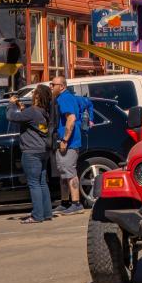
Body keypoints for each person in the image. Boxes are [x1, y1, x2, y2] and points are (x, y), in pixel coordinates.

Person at [7, 84, 53, 223]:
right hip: (43, 150)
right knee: (42, 183)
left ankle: (37, 215)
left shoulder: (33, 111)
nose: (32, 95)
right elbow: (32, 122)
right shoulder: (43, 112)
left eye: (34, 93)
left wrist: (10, 104)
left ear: (38, 96)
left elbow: (11, 116)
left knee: (34, 183)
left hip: (31, 151)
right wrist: (22, 109)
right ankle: (46, 213)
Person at [50, 76, 83, 215]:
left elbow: (71, 118)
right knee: (64, 173)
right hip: (63, 143)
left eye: (53, 84)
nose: (51, 86)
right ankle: (65, 203)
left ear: (62, 86)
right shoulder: (61, 98)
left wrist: (65, 140)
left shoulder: (65, 98)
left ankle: (76, 203)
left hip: (69, 144)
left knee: (69, 172)